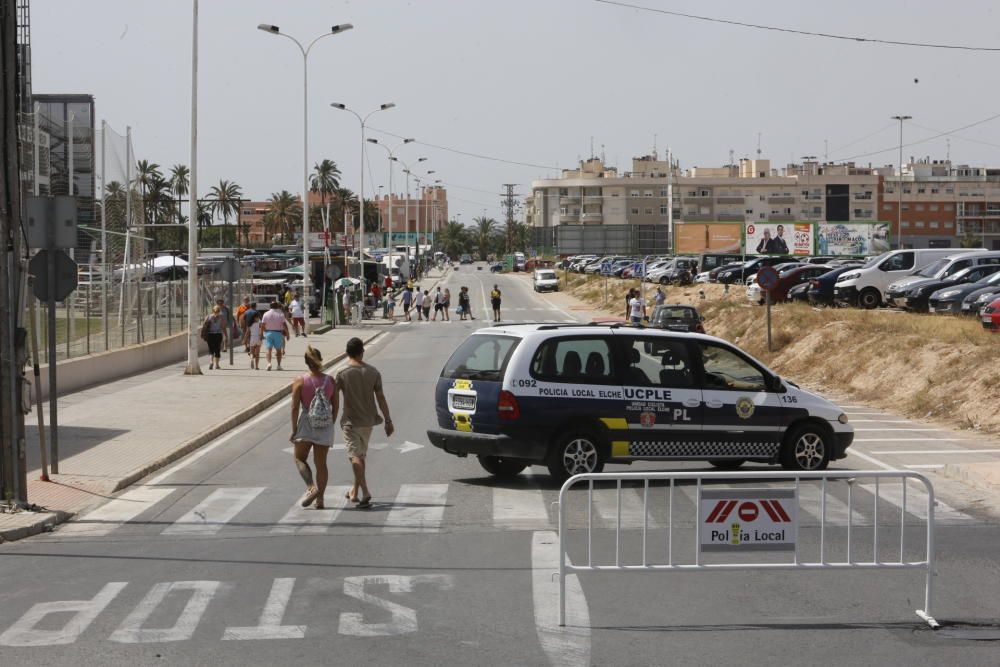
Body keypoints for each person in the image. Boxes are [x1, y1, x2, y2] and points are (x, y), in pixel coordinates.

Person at [336, 337, 393, 508]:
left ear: (347, 353)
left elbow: (333, 399)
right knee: (360, 457)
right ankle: (354, 491)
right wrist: (388, 420)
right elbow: (381, 397)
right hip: (368, 422)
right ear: (362, 351)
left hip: (350, 422)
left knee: (355, 457)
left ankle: (366, 491)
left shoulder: (341, 373)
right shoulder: (373, 372)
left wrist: (330, 419)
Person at [290, 346, 339, 510]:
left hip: (306, 422)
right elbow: (336, 405)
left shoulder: (300, 380)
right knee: (321, 464)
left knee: (299, 458)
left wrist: (294, 429)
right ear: (320, 360)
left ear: (306, 362)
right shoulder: (330, 381)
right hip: (325, 424)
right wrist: (331, 423)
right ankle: (321, 500)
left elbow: (294, 407)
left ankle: (312, 487)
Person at [262, 301, 289, 371]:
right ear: (277, 306)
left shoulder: (266, 314)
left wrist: (262, 332)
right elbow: (284, 325)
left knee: (268, 349)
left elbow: (262, 325)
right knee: (278, 350)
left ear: (270, 306)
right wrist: (287, 333)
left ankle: (269, 363)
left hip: (268, 333)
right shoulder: (281, 314)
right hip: (278, 333)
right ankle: (279, 365)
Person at [202, 305, 225, 369]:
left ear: (212, 310)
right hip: (218, 334)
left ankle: (211, 362)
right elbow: (223, 326)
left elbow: (204, 325)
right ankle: (217, 365)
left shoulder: (208, 316)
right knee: (217, 349)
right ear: (219, 311)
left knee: (211, 349)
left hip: (210, 335)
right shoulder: (221, 317)